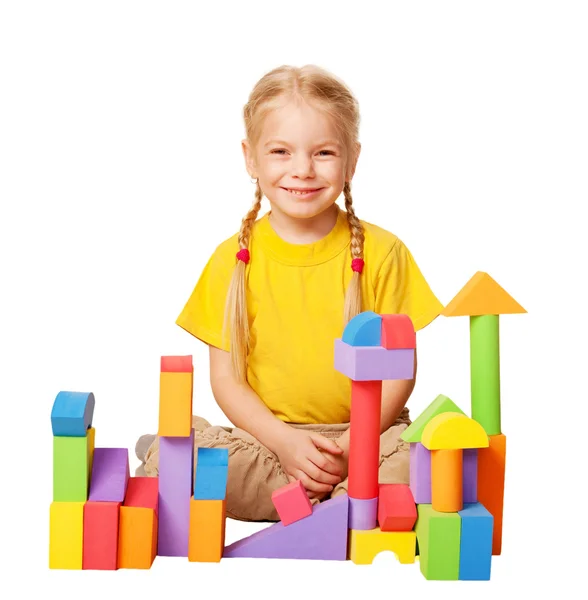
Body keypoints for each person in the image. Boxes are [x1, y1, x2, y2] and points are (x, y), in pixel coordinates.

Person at [135, 64, 443, 522]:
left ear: (352, 160)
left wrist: (349, 447)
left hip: (368, 437)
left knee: (424, 461)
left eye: (323, 153)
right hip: (271, 442)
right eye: (281, 151)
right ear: (251, 158)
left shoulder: (385, 252)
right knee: (186, 466)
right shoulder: (231, 260)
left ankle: (336, 501)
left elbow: (402, 376)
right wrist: (285, 442)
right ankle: (341, 508)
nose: (302, 169)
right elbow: (227, 382)